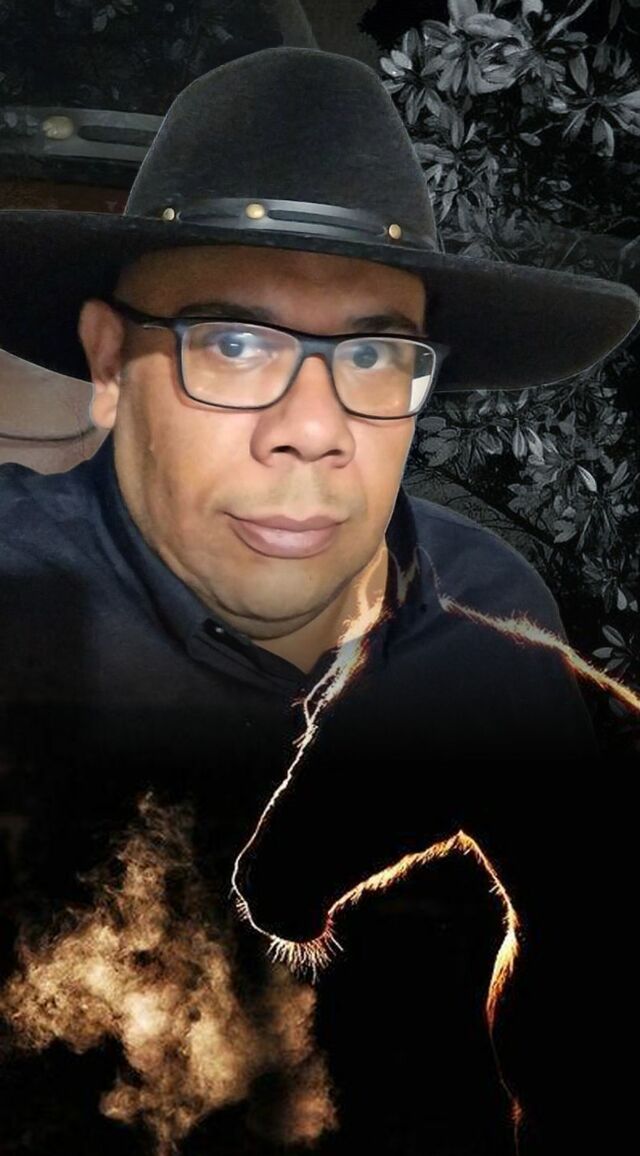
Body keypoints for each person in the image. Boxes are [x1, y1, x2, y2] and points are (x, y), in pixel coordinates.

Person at [0, 45, 637, 1156]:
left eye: (375, 354)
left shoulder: (495, 603)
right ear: (107, 362)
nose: (313, 428)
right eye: (233, 342)